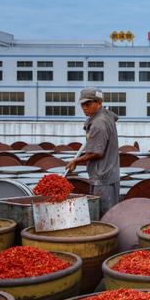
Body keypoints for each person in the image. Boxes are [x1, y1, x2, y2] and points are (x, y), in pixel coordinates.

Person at [66, 87, 120, 215]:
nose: (84, 108)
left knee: (104, 216)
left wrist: (76, 160)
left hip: (102, 178)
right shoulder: (106, 114)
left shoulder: (98, 123)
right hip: (111, 174)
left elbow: (97, 153)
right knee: (110, 213)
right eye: (82, 104)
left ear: (99, 103)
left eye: (88, 104)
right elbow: (115, 117)